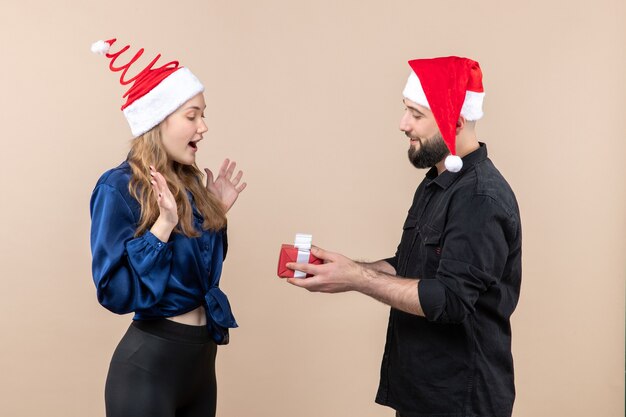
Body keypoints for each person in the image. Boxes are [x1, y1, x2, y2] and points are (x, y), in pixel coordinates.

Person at [286, 57, 522, 417]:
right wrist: (347, 270)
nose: (403, 124)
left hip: (461, 402)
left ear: (454, 121)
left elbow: (449, 299)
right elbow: (414, 268)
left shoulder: (480, 199)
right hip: (422, 395)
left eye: (416, 113)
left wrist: (359, 279)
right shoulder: (436, 183)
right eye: (405, 110)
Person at [89, 38, 246, 417]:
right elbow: (113, 293)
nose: (203, 126)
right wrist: (162, 228)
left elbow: (200, 274)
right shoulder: (118, 187)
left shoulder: (192, 183)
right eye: (192, 115)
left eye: (203, 115)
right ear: (157, 121)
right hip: (147, 370)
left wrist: (215, 215)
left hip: (200, 366)